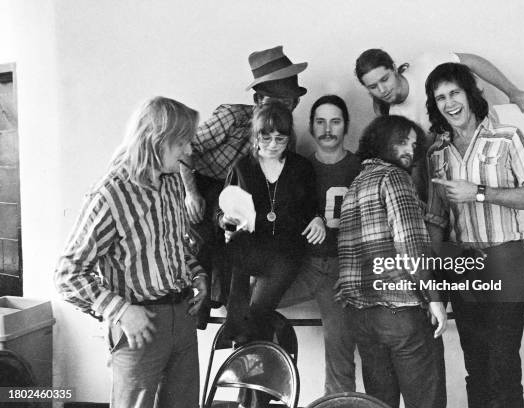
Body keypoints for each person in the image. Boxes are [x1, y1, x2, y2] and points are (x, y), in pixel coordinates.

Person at [54, 97, 208, 408]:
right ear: (155, 140)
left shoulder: (172, 183)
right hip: (139, 327)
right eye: (181, 143)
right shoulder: (111, 194)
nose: (188, 152)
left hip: (183, 317)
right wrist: (121, 311)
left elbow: (173, 247)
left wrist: (198, 274)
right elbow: (67, 274)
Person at [425, 62, 524, 408]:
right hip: (461, 264)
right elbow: (437, 221)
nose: (449, 103)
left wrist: (478, 192)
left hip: (505, 259)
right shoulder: (436, 153)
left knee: (503, 366)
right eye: (440, 98)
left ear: (470, 94)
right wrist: (434, 284)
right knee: (475, 367)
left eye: (454, 93)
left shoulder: (507, 137)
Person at [179, 46, 308, 317]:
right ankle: (203, 308)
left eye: (293, 103)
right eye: (281, 102)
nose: (289, 108)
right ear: (260, 99)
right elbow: (185, 148)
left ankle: (237, 313)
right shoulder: (231, 116)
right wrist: (191, 193)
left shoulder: (287, 139)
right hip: (205, 186)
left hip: (242, 199)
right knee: (203, 246)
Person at [336, 115, 447, 408]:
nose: (410, 150)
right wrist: (434, 298)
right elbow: (411, 244)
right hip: (402, 315)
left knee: (380, 404)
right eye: (402, 141)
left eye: (413, 144)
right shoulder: (394, 178)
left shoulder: (353, 187)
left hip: (362, 318)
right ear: (381, 142)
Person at [354, 49, 524, 201]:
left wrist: (512, 91)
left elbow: (472, 62)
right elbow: (416, 161)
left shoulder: (426, 65)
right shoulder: (390, 114)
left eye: (385, 79)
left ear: (394, 68)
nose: (382, 90)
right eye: (373, 86)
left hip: (485, 154)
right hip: (449, 171)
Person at [219, 101, 326, 344]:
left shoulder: (301, 167)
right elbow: (224, 210)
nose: (273, 145)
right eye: (266, 138)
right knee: (234, 248)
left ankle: (242, 339)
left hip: (286, 250)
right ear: (255, 136)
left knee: (257, 312)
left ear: (289, 138)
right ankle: (242, 336)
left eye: (280, 139)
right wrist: (226, 223)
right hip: (251, 246)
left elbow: (312, 208)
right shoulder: (243, 167)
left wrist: (318, 220)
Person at [279, 95, 361, 394]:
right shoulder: (298, 167)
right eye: (321, 122)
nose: (328, 129)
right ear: (311, 127)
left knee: (341, 355)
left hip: (343, 272)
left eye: (335, 121)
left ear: (346, 126)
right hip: (304, 267)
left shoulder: (361, 167)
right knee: (251, 310)